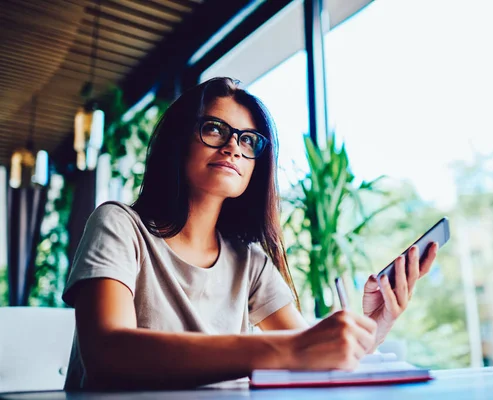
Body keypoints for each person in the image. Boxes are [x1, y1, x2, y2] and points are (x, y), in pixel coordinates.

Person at [62, 77, 438, 390]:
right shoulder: (119, 225)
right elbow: (107, 355)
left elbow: (316, 353)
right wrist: (287, 350)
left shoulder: (250, 263)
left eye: (248, 140)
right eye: (214, 128)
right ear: (177, 140)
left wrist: (374, 324)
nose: (233, 147)